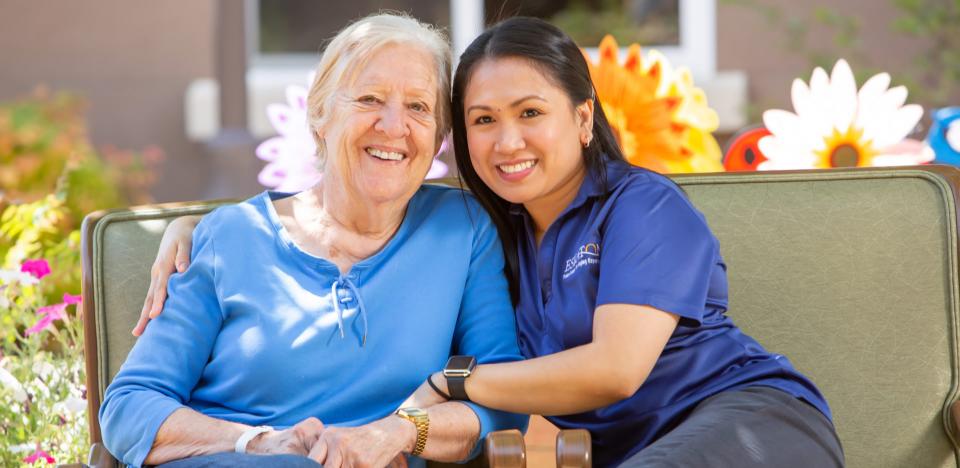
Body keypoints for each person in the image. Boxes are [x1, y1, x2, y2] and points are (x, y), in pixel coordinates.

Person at [143, 17, 845, 468]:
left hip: (748, 419)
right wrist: (199, 225)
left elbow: (615, 370)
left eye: (530, 113)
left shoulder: (642, 206)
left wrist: (448, 383)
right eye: (482, 119)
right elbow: (337, 202)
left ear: (582, 116)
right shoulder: (491, 227)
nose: (506, 141)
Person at [100, 13, 526, 468]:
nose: (392, 125)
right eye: (369, 99)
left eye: (419, 107)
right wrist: (258, 441)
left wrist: (400, 432)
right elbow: (129, 407)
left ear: (440, 136)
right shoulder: (231, 237)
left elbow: (500, 399)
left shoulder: (462, 231)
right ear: (320, 115)